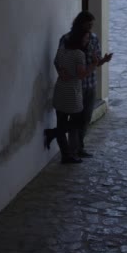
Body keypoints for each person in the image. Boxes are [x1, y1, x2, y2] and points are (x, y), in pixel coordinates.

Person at [56, 11, 112, 158]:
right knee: (74, 120)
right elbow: (58, 60)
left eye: (92, 25)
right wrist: (61, 71)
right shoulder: (67, 40)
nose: (90, 28)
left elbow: (96, 61)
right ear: (80, 24)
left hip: (89, 85)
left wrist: (103, 61)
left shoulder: (93, 39)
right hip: (73, 88)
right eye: (88, 25)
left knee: (84, 119)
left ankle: (78, 147)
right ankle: (71, 150)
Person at [44, 31, 97, 164]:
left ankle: (65, 155)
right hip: (72, 93)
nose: (87, 41)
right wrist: (93, 64)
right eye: (85, 38)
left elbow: (56, 62)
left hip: (60, 90)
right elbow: (81, 75)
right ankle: (54, 134)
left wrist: (61, 73)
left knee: (62, 121)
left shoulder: (62, 51)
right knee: (77, 123)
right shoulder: (79, 54)